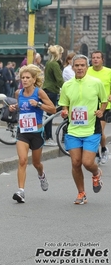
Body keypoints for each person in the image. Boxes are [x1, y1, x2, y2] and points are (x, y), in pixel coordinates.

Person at [58, 54, 108, 204]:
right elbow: (64, 103)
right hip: (73, 130)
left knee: (87, 162)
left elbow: (104, 100)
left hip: (91, 129)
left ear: (87, 67)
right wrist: (65, 111)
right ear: (72, 67)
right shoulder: (67, 85)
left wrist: (101, 111)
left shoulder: (96, 83)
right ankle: (81, 193)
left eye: (82, 65)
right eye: (77, 65)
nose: (79, 68)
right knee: (75, 163)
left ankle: (96, 173)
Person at [8, 64, 56, 203]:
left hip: (37, 132)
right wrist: (13, 107)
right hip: (23, 131)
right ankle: (21, 191)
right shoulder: (19, 93)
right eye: (23, 77)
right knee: (22, 160)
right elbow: (20, 105)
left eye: (28, 77)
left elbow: (52, 109)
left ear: (34, 79)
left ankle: (41, 175)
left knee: (36, 163)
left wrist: (39, 105)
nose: (25, 80)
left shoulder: (39, 92)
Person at [87, 50, 111, 164]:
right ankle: (96, 153)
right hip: (90, 106)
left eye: (98, 57)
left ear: (102, 60)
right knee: (91, 131)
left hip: (104, 105)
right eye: (93, 58)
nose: (95, 59)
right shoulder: (87, 71)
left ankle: (104, 149)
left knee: (99, 131)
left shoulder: (108, 72)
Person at [42, 45, 64, 146]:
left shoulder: (49, 63)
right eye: (61, 53)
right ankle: (48, 137)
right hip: (52, 90)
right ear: (59, 54)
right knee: (50, 115)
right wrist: (67, 89)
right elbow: (59, 80)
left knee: (47, 115)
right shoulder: (55, 64)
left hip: (46, 89)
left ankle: (46, 136)